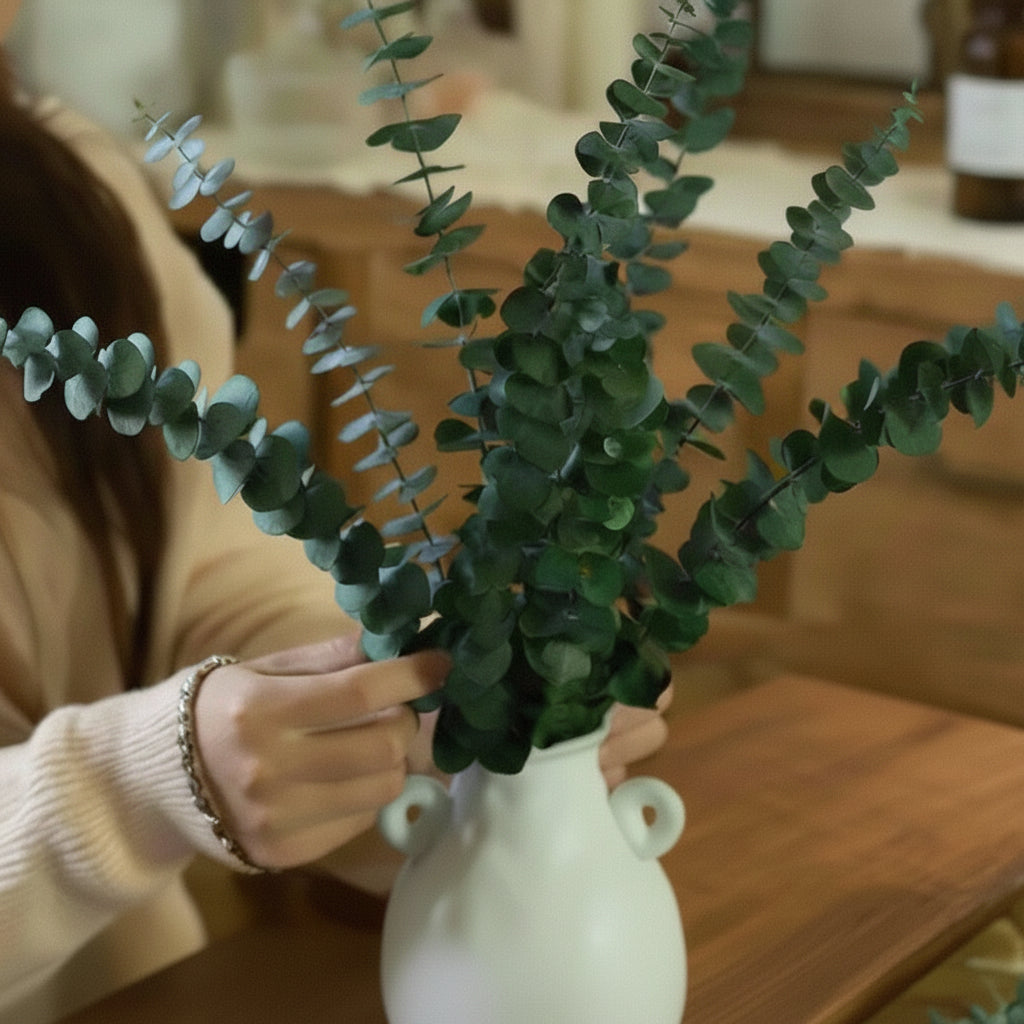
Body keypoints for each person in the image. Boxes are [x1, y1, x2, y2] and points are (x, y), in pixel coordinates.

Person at [0, 2, 671, 1021]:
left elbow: (192, 568)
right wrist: (138, 785)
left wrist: (399, 697)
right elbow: (156, 768)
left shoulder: (59, 192)